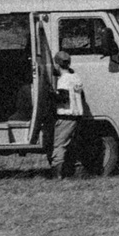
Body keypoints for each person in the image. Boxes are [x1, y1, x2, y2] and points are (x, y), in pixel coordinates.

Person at [47, 50, 86, 179]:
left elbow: (63, 98)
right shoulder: (76, 77)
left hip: (65, 116)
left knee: (59, 145)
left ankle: (57, 175)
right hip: (77, 116)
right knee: (74, 145)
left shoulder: (63, 80)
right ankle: (79, 173)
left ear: (57, 65)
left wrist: (51, 94)